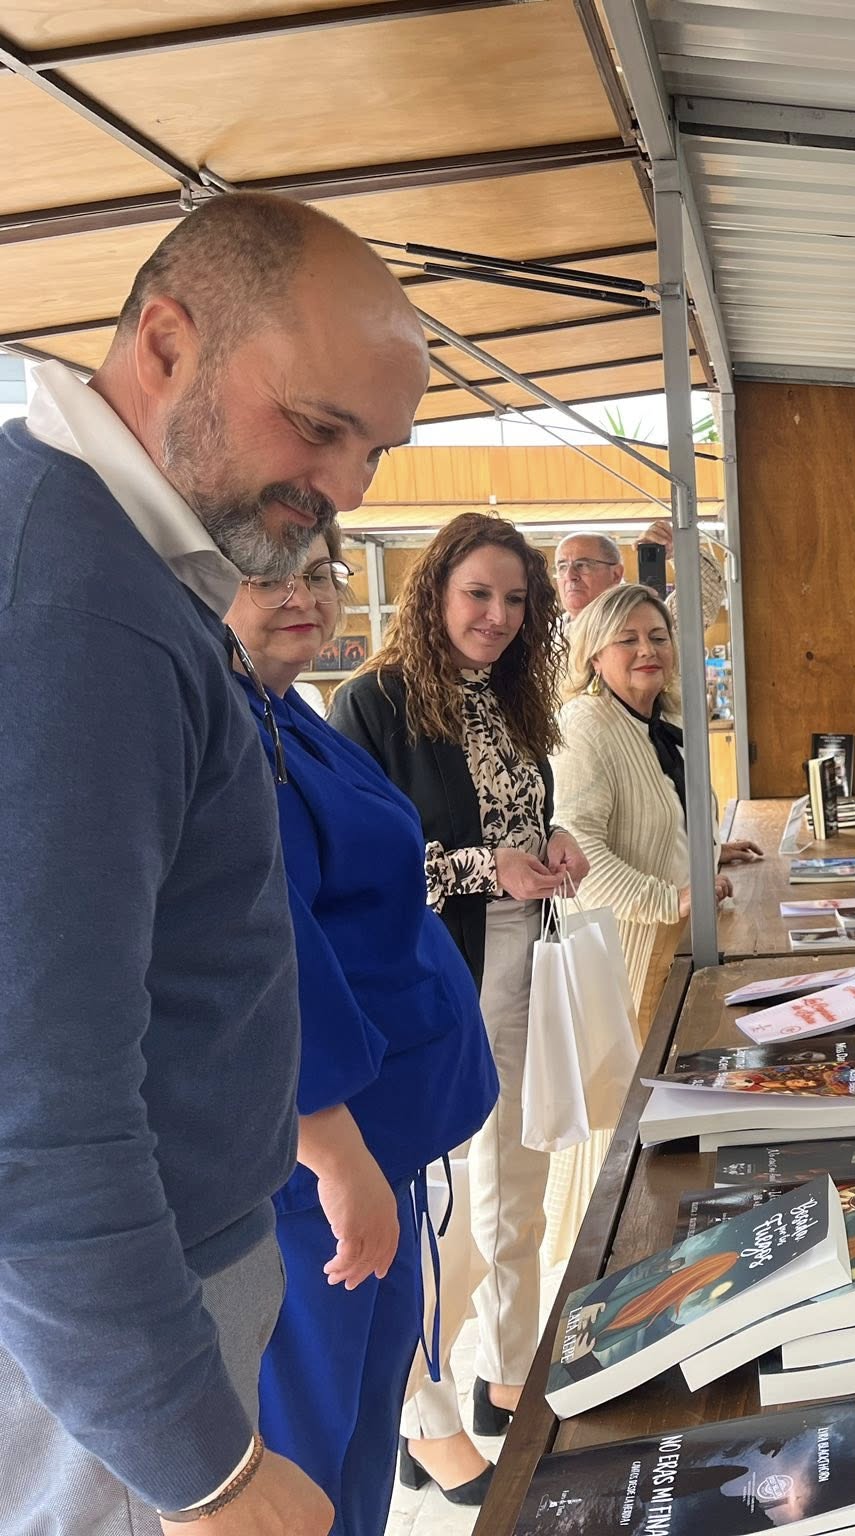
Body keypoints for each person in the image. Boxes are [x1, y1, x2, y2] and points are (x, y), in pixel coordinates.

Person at [0, 192, 425, 1534]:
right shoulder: (73, 603)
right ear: (168, 343)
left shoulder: (114, 566)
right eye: (317, 427)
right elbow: (30, 1092)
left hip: (158, 1292)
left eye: (374, 451)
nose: (344, 492)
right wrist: (205, 1469)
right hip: (114, 1343)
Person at [225, 530, 498, 1527]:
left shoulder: (284, 709)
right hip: (315, 1175)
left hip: (383, 1143)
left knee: (362, 1432)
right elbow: (259, 955)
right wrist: (333, 1155)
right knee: (307, 1444)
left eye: (319, 572)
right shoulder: (224, 733)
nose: (302, 595)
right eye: (268, 574)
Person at [330, 512, 589, 1495]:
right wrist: (492, 868)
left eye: (515, 600)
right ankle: (424, 1413)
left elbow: (520, 816)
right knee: (439, 1208)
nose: (496, 616)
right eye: (478, 594)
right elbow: (371, 869)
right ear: (434, 589)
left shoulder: (514, 700)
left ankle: (506, 1370)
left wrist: (553, 839)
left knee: (516, 1193)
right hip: (440, 971)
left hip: (530, 959)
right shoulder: (374, 703)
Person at [555, 582, 746, 1015]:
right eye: (627, 639)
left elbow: (660, 811)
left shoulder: (664, 717)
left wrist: (709, 849)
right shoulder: (584, 726)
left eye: (658, 638)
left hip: (679, 940)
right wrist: (669, 899)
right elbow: (578, 850)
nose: (647, 650)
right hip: (627, 955)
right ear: (594, 656)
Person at [554, 530, 624, 617]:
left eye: (582, 565)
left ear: (616, 575)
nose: (569, 576)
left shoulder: (635, 626)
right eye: (563, 567)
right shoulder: (547, 629)